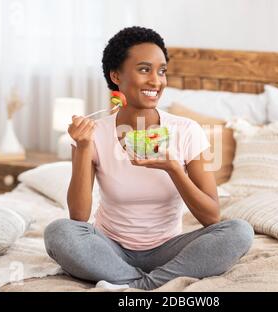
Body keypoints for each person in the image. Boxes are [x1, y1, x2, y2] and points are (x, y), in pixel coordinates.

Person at [44, 26, 254, 291]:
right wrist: (84, 146)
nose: (156, 81)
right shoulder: (94, 133)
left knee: (239, 231)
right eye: (144, 69)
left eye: (162, 71)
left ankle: (136, 286)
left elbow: (211, 217)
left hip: (170, 251)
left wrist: (174, 169)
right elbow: (78, 215)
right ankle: (149, 284)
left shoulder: (187, 130)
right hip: (110, 249)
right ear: (116, 75)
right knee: (58, 232)